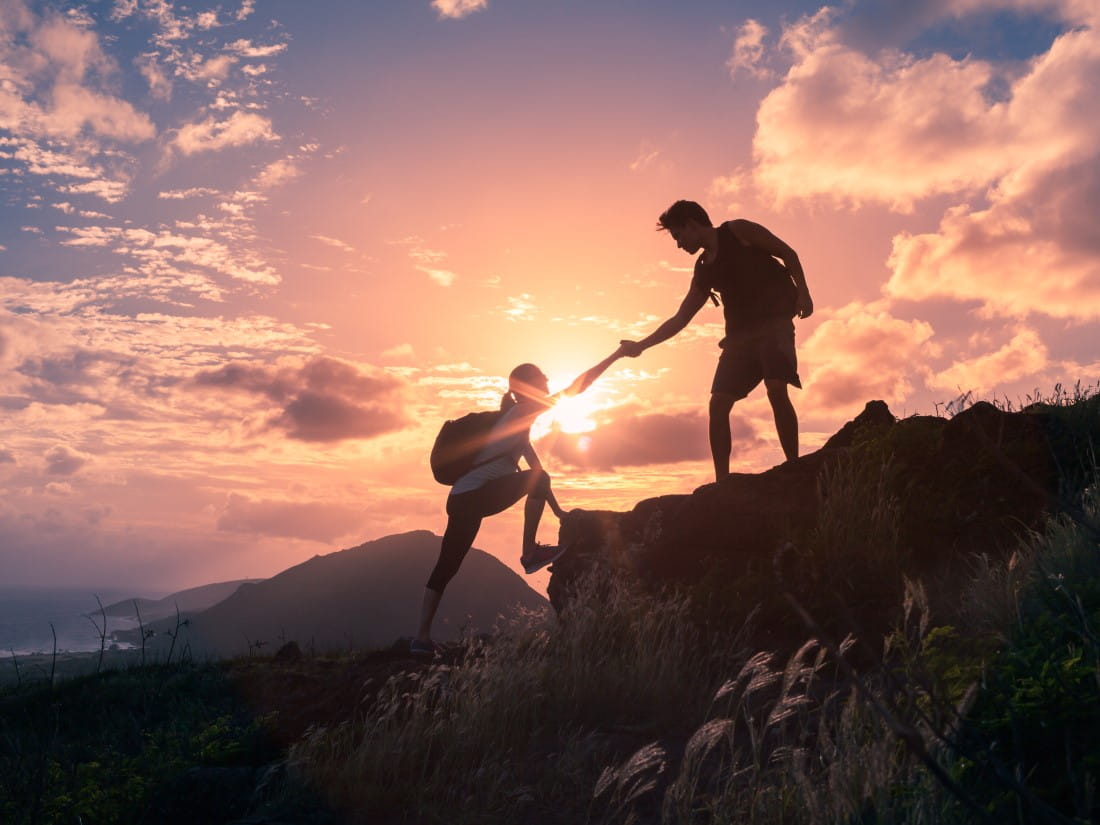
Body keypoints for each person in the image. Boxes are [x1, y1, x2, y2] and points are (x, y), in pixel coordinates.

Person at [413, 347, 624, 654]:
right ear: (528, 387)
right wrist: (615, 356)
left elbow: (536, 472)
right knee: (448, 565)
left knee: (447, 566)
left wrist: (557, 511)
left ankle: (420, 637)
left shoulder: (516, 424)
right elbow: (577, 388)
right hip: (472, 498)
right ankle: (529, 553)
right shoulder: (521, 411)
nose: (548, 379)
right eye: (542, 377)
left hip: (462, 498)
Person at [619, 200, 813, 481]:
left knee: (775, 387)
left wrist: (804, 293)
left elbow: (788, 253)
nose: (678, 245)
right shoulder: (703, 269)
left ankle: (794, 468)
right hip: (739, 341)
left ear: (692, 225)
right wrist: (641, 345)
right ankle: (722, 482)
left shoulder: (739, 231)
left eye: (678, 236)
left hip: (774, 324)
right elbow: (680, 318)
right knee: (718, 404)